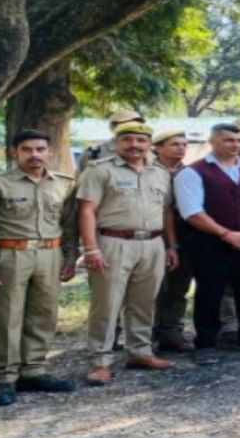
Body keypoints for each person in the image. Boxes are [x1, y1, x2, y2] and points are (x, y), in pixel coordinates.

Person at [0, 130, 79, 407]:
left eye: (40, 149)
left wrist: (70, 258)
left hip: (50, 253)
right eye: (27, 149)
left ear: (49, 152)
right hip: (11, 254)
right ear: (15, 153)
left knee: (44, 313)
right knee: (7, 317)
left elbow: (69, 224)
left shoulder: (63, 184)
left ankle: (33, 371)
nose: (34, 155)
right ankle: (4, 379)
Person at [75, 122, 179, 385]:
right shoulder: (99, 170)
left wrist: (171, 245)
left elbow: (166, 212)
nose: (135, 145)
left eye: (141, 141)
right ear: (117, 142)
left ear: (149, 144)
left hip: (153, 243)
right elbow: (87, 210)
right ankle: (100, 361)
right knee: (107, 304)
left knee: (144, 301)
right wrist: (90, 248)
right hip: (113, 241)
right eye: (128, 140)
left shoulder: (160, 172)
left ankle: (140, 352)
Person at [174, 123, 240, 364]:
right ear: (212, 142)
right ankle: (206, 343)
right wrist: (226, 234)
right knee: (210, 292)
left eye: (238, 141)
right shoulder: (193, 172)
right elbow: (192, 212)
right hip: (210, 244)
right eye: (228, 140)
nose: (235, 145)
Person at [149, 130, 197, 354]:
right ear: (158, 147)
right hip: (150, 236)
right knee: (149, 289)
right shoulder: (147, 171)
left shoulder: (190, 173)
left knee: (178, 287)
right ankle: (146, 337)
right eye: (174, 144)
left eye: (184, 145)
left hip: (184, 236)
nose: (180, 148)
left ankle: (171, 333)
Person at [77, 110, 144, 175]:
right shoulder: (94, 153)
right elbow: (80, 180)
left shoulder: (149, 153)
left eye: (137, 124)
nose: (133, 127)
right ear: (113, 127)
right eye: (127, 124)